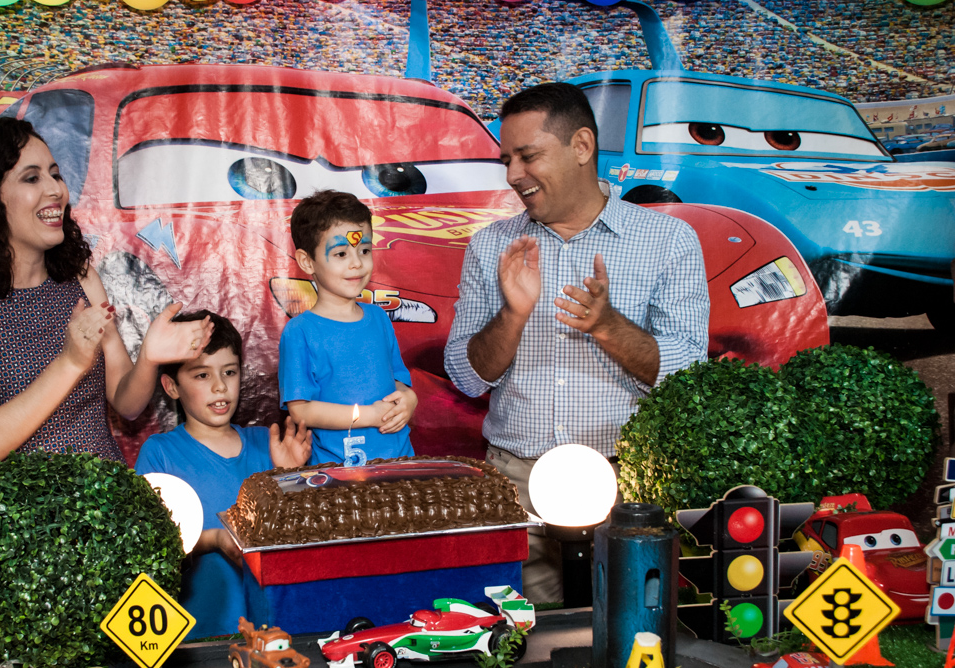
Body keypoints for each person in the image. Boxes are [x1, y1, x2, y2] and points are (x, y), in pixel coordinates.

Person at [443, 83, 709, 603]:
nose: (513, 174)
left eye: (528, 155)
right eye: (506, 159)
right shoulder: (491, 245)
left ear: (582, 147)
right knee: (523, 648)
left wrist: (609, 326)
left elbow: (687, 376)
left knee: (630, 634)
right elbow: (467, 374)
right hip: (516, 488)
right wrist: (513, 315)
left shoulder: (668, 241)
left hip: (629, 485)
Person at [0, 118, 212, 489]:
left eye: (55, 174)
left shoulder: (80, 276)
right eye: (32, 178)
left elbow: (128, 403)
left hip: (107, 504)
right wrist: (70, 362)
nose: (55, 189)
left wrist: (149, 357)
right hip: (19, 522)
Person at [134, 311, 312, 637]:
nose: (220, 386)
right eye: (202, 376)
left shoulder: (268, 445)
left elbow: (300, 537)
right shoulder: (160, 453)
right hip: (201, 635)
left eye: (229, 372)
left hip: (275, 631)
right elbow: (147, 545)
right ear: (171, 386)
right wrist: (214, 540)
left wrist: (290, 476)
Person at [279, 190, 418, 466]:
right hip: (340, 475)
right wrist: (369, 415)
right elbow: (301, 411)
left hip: (399, 464)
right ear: (307, 261)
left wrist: (409, 399)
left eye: (364, 250)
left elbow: (399, 383)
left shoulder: (379, 318)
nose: (357, 262)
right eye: (341, 253)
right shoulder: (300, 332)